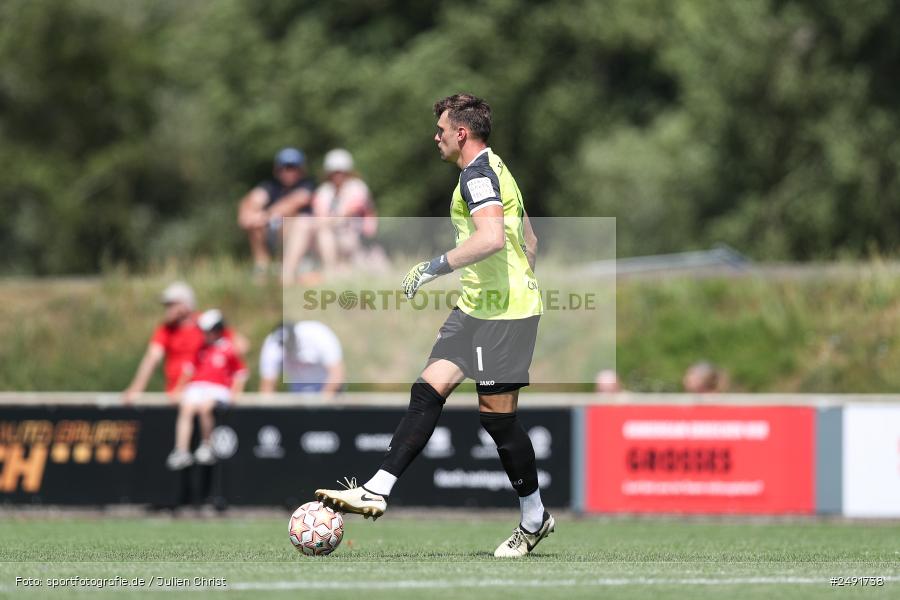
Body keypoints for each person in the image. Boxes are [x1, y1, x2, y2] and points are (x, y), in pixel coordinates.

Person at [315, 94, 551, 558]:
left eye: (441, 129)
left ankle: (533, 516)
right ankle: (377, 489)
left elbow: (490, 238)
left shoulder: (478, 175)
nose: (436, 137)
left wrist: (431, 267)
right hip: (477, 307)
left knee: (498, 422)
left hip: (503, 314)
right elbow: (530, 240)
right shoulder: (497, 168)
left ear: (461, 133)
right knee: (428, 389)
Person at [122, 282, 247, 403]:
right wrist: (136, 388)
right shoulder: (166, 330)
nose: (167, 310)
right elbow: (152, 358)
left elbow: (241, 346)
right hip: (177, 395)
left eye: (171, 305)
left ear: (185, 305)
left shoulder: (205, 324)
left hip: (207, 395)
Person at [282, 148, 382, 283]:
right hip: (329, 237)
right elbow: (321, 216)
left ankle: (330, 272)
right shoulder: (324, 191)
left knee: (321, 230)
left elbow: (347, 213)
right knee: (304, 222)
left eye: (341, 172)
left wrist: (325, 222)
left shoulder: (357, 187)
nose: (337, 175)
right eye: (334, 172)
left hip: (353, 239)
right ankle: (287, 273)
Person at [166, 310, 248, 470]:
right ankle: (181, 450)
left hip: (218, 389)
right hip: (198, 387)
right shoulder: (200, 348)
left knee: (205, 407)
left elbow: (240, 373)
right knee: (187, 407)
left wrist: (235, 393)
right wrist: (178, 389)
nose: (204, 334)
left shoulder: (228, 348)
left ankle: (206, 446)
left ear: (217, 330)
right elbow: (188, 371)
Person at [238, 147, 316, 275]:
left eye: (292, 167)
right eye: (284, 167)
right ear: (277, 170)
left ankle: (289, 271)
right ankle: (262, 267)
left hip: (302, 239)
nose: (288, 172)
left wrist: (264, 217)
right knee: (254, 224)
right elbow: (251, 200)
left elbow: (294, 203)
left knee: (297, 221)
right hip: (275, 234)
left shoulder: (308, 185)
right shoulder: (271, 186)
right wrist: (247, 215)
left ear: (301, 170)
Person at [258, 321, 345, 397]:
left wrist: (322, 403)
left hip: (326, 386)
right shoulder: (273, 344)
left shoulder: (319, 334)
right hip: (298, 391)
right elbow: (267, 385)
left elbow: (337, 374)